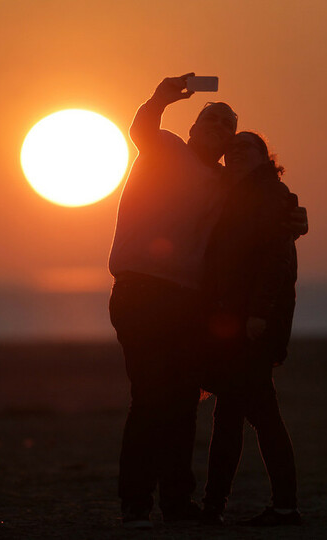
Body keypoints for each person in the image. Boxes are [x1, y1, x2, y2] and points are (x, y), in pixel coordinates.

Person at [108, 73, 238, 529]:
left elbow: (259, 211)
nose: (217, 125)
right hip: (140, 290)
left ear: (229, 141)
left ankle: (177, 502)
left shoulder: (224, 184)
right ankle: (136, 501)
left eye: (227, 123)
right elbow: (141, 128)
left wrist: (291, 216)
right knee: (149, 398)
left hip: (187, 301)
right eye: (210, 117)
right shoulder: (165, 148)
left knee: (182, 402)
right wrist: (162, 96)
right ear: (193, 127)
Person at [199, 132, 303, 526]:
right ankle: (217, 506)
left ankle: (279, 507)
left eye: (249, 146)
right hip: (236, 324)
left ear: (265, 157)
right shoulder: (238, 195)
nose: (238, 151)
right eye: (233, 148)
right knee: (234, 413)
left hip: (254, 325)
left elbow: (276, 261)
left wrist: (258, 315)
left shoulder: (269, 194)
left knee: (258, 414)